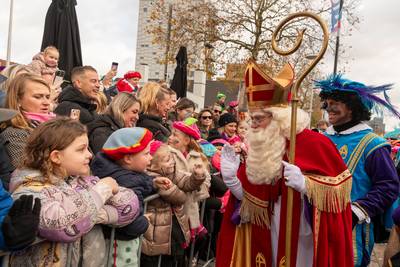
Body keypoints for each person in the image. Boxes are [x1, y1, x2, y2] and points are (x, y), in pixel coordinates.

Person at [216, 60, 354, 267]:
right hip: (267, 231)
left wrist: (307, 185)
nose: (252, 126)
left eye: (258, 119)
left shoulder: (316, 143)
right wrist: (232, 179)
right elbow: (252, 202)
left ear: (280, 118)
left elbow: (337, 195)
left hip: (302, 234)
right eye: (251, 119)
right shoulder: (263, 145)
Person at [7, 118, 139, 266]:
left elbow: (129, 204)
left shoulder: (80, 180)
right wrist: (101, 192)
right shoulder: (29, 188)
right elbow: (61, 224)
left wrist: (94, 214)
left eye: (88, 148)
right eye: (81, 149)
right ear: (56, 156)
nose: (89, 154)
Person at [316, 75, 400, 267]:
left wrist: (354, 212)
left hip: (351, 230)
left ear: (353, 107)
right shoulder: (321, 139)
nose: (328, 108)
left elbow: (388, 187)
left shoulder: (374, 145)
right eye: (327, 103)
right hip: (315, 225)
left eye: (335, 103)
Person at [91, 127, 171, 266]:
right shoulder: (128, 183)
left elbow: (140, 182)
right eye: (146, 154)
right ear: (128, 158)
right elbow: (130, 224)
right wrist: (144, 222)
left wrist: (153, 183)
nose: (151, 157)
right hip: (121, 246)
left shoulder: (123, 173)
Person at [141, 141, 206, 266]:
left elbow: (186, 182)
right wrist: (177, 189)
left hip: (173, 227)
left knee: (175, 258)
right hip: (157, 232)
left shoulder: (170, 172)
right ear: (152, 165)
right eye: (167, 160)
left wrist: (197, 176)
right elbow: (180, 198)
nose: (172, 162)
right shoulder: (152, 177)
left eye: (172, 158)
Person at [0, 73, 56, 169]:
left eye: (47, 97)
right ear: (18, 100)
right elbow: (25, 171)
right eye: (38, 97)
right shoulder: (14, 133)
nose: (46, 103)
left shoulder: (56, 126)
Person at [168, 118, 211, 239]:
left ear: (186, 140)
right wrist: (193, 179)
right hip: (175, 212)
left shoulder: (197, 156)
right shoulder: (168, 154)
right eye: (170, 134)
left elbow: (206, 180)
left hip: (191, 209)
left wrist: (199, 184)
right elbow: (173, 176)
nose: (169, 137)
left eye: (174, 135)